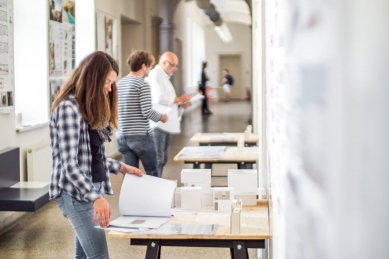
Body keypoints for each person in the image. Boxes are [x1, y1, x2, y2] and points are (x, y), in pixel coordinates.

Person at [49, 51, 143, 258]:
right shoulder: (68, 108)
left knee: (83, 256)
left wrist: (121, 167)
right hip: (76, 194)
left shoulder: (86, 107)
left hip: (91, 189)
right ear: (93, 78)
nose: (110, 89)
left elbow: (90, 156)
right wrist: (96, 198)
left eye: (112, 83)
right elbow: (70, 165)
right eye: (107, 82)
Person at [116, 50, 168, 177]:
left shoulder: (119, 84)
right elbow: (147, 111)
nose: (150, 70)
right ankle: (153, 197)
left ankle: (131, 198)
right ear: (144, 66)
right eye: (150, 66)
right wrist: (162, 117)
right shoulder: (142, 84)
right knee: (152, 173)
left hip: (123, 136)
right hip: (141, 137)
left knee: (130, 175)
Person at [146, 51, 191, 177]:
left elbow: (169, 100)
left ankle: (157, 185)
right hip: (158, 124)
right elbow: (160, 98)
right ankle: (154, 187)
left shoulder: (164, 77)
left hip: (166, 124)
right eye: (173, 65)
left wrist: (180, 104)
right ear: (164, 62)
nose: (175, 68)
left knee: (163, 159)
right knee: (158, 159)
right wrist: (180, 99)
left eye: (176, 66)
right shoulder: (155, 74)